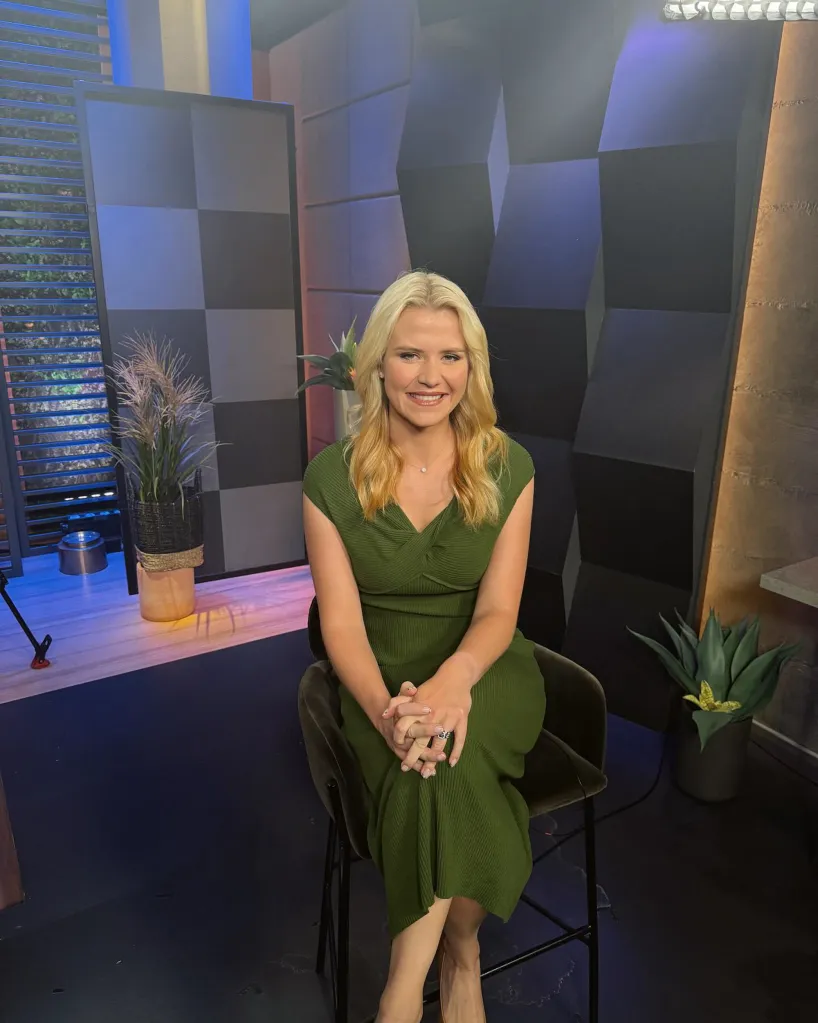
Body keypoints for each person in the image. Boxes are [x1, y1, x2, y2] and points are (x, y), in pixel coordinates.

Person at [302, 270, 545, 1023]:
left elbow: (501, 609)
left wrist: (456, 682)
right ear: (377, 362)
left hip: (487, 662)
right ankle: (460, 956)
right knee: (430, 765)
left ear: (471, 368)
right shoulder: (329, 480)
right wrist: (383, 712)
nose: (430, 377)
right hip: (379, 675)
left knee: (440, 751)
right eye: (410, 355)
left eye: (450, 357)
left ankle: (400, 995)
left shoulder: (509, 467)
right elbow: (339, 626)